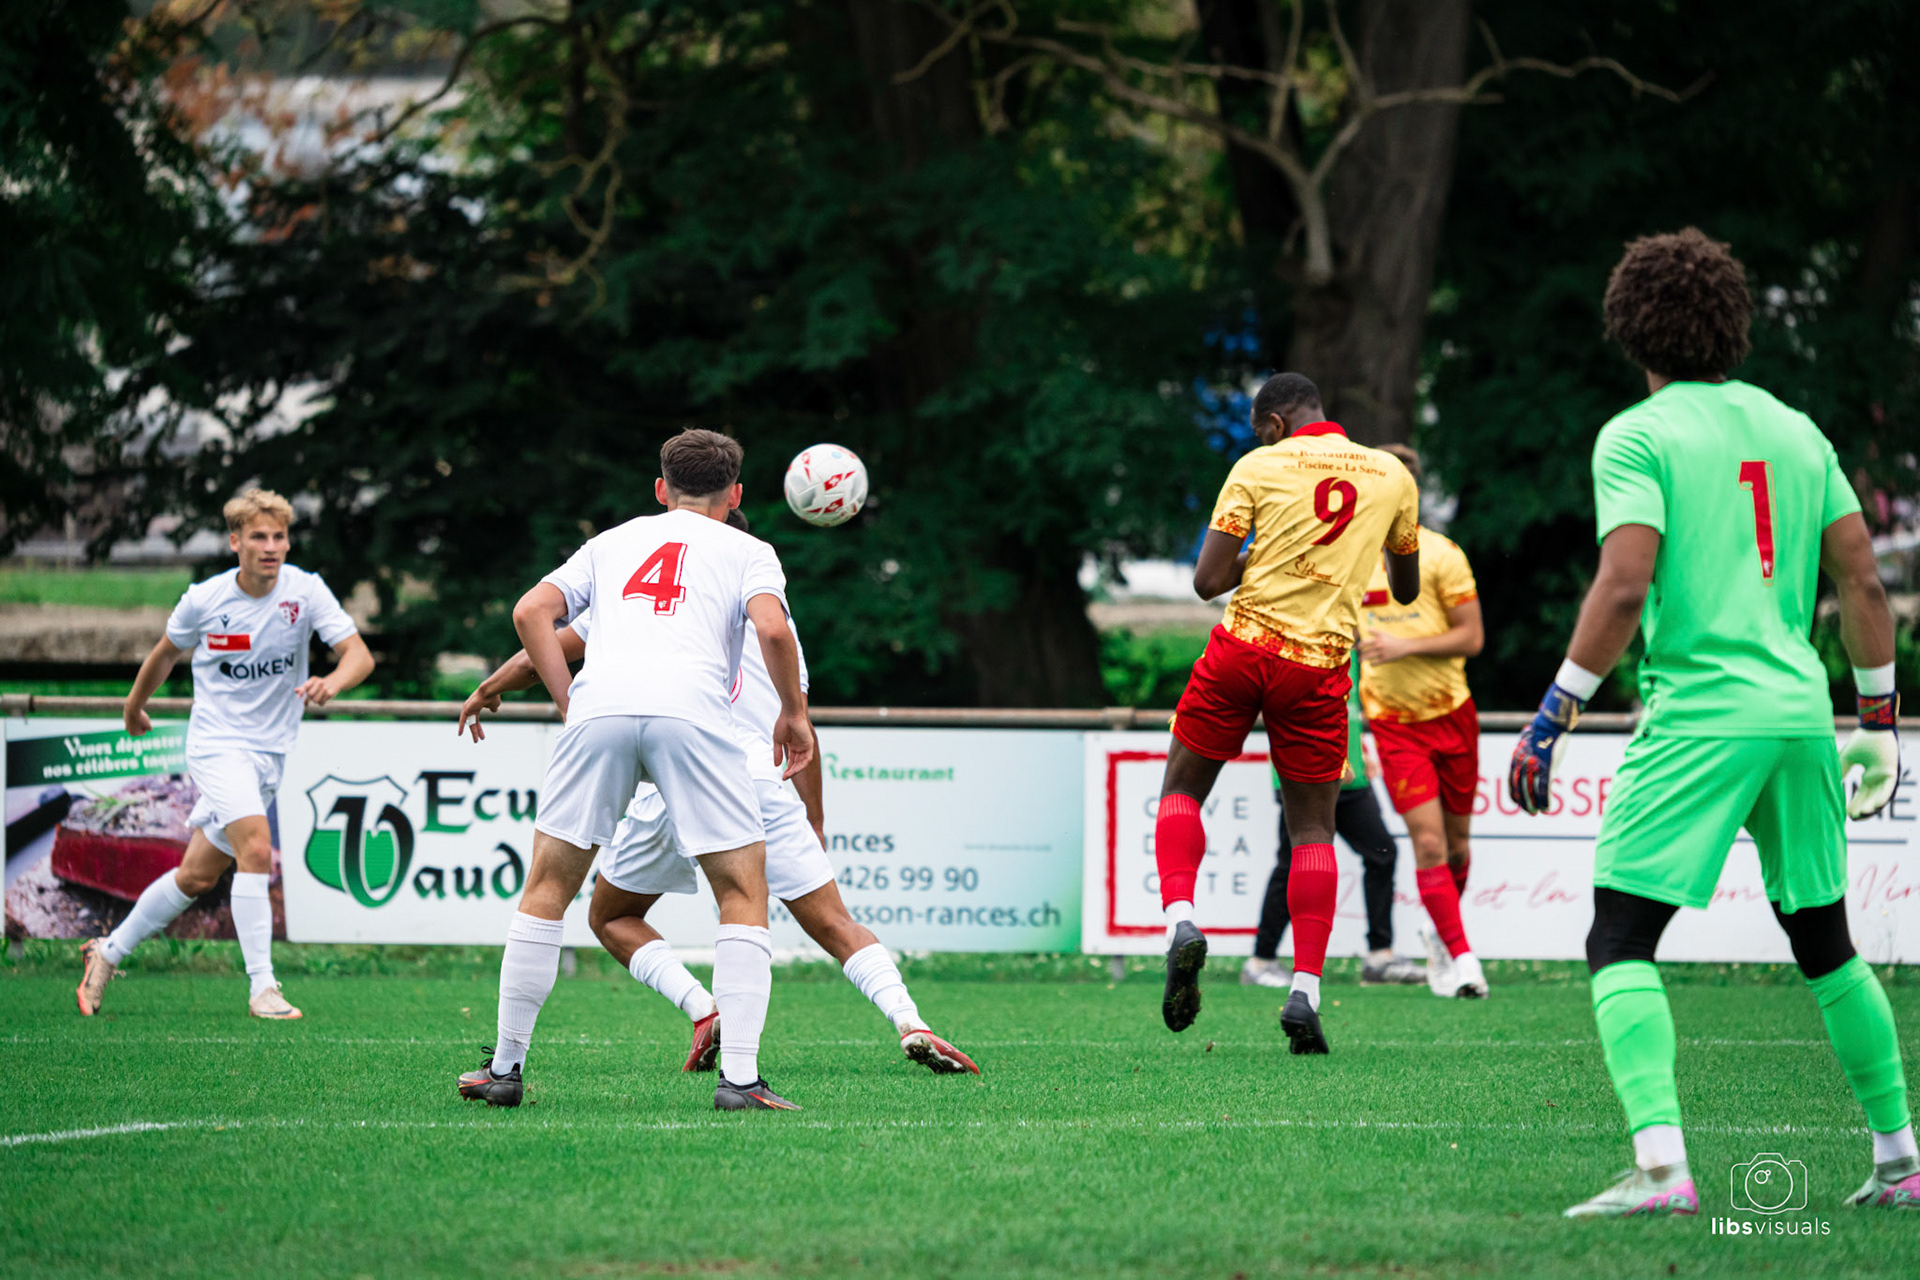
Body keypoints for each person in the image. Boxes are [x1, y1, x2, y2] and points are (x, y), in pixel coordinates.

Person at [1507, 228, 1913, 1217]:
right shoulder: (1796, 429)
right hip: (1800, 714)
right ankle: (1902, 1161)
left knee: (1620, 934)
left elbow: (1622, 585)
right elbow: (1863, 581)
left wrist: (1554, 712)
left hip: (1701, 716)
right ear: (1733, 322)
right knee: (1826, 941)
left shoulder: (1637, 436)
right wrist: (1878, 720)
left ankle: (1661, 1170)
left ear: (1629, 324)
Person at [457, 512, 977, 1078]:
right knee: (828, 920)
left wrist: (489, 686)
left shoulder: (645, 593)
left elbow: (542, 648)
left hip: (667, 771)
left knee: (609, 915)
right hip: (749, 769)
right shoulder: (767, 608)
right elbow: (798, 726)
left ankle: (700, 1010)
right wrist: (814, 821)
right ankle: (907, 1020)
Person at [456, 429, 813, 1112]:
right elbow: (772, 629)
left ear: (660, 489)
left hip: (602, 711)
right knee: (742, 889)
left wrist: (569, 699)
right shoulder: (748, 549)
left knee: (548, 886)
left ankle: (505, 1068)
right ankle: (740, 1080)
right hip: (692, 715)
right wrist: (793, 715)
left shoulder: (612, 542)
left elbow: (531, 612)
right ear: (736, 494)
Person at [1155, 372, 1419, 1054]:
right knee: (1312, 833)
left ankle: (1181, 920)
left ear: (1274, 424)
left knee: (1182, 791)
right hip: (1319, 668)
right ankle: (1304, 991)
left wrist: (1264, 557)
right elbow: (1406, 584)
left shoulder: (1258, 466)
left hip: (1241, 651)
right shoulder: (1391, 475)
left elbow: (1207, 581)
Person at [80, 488, 372, 1020]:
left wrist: (334, 681)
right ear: (235, 542)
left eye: (279, 536)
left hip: (270, 754)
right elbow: (164, 655)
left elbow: (359, 656)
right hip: (217, 746)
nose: (271, 546)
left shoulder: (305, 591)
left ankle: (108, 951)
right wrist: (133, 706)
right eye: (258, 536)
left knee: (195, 876)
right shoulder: (205, 599)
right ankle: (263, 988)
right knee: (256, 849)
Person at [1356, 444, 1489, 999]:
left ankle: (1442, 934)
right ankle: (1464, 960)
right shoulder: (1349, 556)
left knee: (1457, 847)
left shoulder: (1442, 555)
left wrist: (1403, 646)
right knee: (1428, 844)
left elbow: (1472, 638)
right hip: (1393, 724)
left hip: (1451, 714)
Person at [1241, 651, 1424, 989]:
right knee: (1292, 866)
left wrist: (1361, 749)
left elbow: (1346, 710)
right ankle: (1260, 962)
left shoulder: (1347, 648)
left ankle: (1379, 957)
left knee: (1382, 854)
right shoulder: (1292, 644)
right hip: (1303, 776)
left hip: (1351, 777)